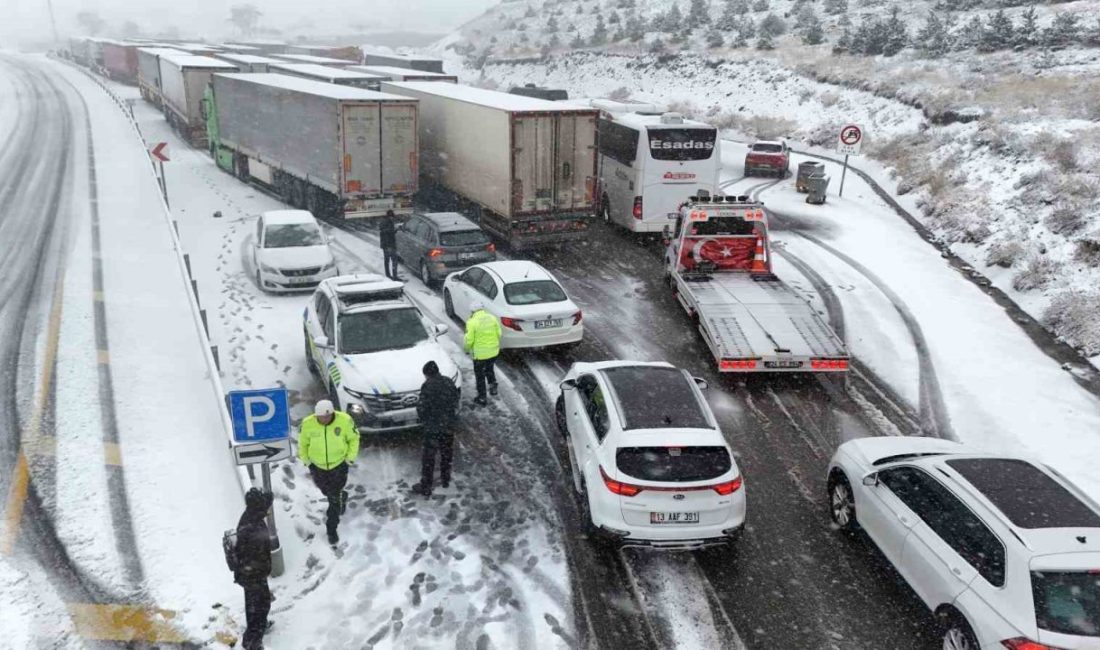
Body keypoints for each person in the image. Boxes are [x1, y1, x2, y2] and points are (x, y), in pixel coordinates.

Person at [297, 399, 359, 544]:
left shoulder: (345, 420)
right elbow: (303, 444)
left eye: (327, 416)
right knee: (325, 491)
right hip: (317, 467)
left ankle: (331, 529)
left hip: (338, 465)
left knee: (333, 499)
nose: (324, 419)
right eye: (321, 417)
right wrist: (307, 462)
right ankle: (341, 496)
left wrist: (349, 459)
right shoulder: (307, 424)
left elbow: (354, 439)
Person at [412, 361, 460, 497]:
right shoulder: (448, 382)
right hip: (448, 425)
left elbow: (421, 407)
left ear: (427, 374)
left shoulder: (427, 386)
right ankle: (445, 479)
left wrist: (425, 421)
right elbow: (456, 399)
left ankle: (426, 486)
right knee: (447, 454)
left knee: (429, 458)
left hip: (433, 427)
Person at [235, 488, 273, 650]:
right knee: (258, 607)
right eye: (265, 507)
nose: (267, 510)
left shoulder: (252, 516)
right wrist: (260, 570)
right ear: (259, 507)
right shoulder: (251, 526)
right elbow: (251, 555)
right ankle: (252, 641)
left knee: (258, 605)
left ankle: (258, 629)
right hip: (252, 574)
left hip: (253, 573)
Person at [463, 300, 502, 407]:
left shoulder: (471, 322)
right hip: (494, 352)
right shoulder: (492, 318)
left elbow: (469, 340)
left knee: (479, 376)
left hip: (480, 355)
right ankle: (493, 386)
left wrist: (466, 350)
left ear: (472, 311)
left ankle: (482, 398)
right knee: (489, 369)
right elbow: (499, 333)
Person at [379, 210, 399, 280]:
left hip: (385, 245)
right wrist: (389, 246)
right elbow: (388, 233)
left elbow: (384, 232)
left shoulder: (383, 222)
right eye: (392, 217)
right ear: (391, 216)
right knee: (394, 260)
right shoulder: (389, 223)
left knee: (387, 260)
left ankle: (388, 275)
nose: (393, 218)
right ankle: (395, 276)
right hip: (389, 245)